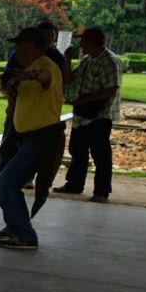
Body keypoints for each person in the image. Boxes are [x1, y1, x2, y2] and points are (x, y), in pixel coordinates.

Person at [0, 27, 64, 250]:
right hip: (24, 138)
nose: (16, 50)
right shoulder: (29, 68)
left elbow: (45, 78)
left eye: (19, 45)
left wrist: (30, 76)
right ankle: (14, 228)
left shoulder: (45, 66)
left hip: (41, 138)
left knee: (7, 182)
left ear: (32, 47)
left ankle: (25, 235)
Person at [55, 27, 123, 202]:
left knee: (100, 154)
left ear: (93, 43)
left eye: (84, 41)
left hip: (100, 115)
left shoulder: (110, 61)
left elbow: (112, 89)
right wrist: (68, 60)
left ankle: (101, 191)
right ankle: (74, 184)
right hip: (82, 114)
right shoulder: (86, 60)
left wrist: (84, 101)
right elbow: (69, 79)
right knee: (77, 149)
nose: (81, 45)